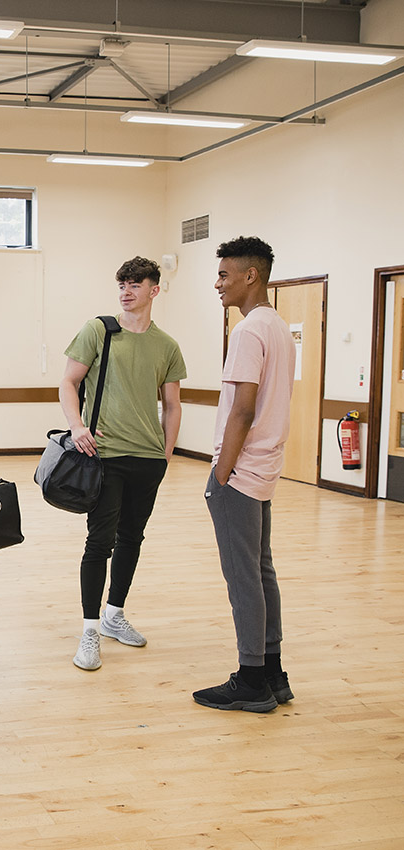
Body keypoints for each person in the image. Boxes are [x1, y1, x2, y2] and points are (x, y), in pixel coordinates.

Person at [60, 256, 186, 671]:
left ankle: (115, 615)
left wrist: (166, 454)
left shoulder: (166, 345)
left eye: (136, 284)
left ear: (155, 289)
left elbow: (171, 405)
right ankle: (90, 631)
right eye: (122, 284)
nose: (126, 291)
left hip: (147, 459)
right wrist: (77, 426)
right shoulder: (99, 330)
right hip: (105, 456)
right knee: (100, 541)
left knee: (133, 537)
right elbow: (68, 382)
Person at [192, 236, 296, 713]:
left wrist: (222, 471)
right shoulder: (276, 327)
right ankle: (272, 672)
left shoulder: (249, 331)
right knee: (260, 569)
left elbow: (242, 410)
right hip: (265, 469)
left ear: (250, 276)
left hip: (241, 471)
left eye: (224, 275)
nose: (217, 284)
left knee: (243, 576)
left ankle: (251, 677)